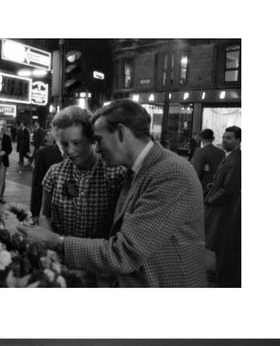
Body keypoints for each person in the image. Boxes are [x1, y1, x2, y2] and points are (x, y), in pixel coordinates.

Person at [20, 99, 207, 287]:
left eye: (98, 140)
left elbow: (126, 252)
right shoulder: (137, 170)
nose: (98, 149)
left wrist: (57, 242)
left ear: (121, 132)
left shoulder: (169, 173)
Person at [38, 106, 126, 241]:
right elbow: (45, 215)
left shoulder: (115, 174)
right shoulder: (54, 173)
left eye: (76, 143)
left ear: (91, 139)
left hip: (98, 256)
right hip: (60, 256)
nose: (70, 151)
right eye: (64, 144)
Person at [204, 126, 241, 285]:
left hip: (225, 208)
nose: (224, 140)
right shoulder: (229, 156)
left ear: (238, 140)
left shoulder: (237, 159)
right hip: (220, 205)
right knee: (218, 241)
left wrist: (211, 200)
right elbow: (222, 181)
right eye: (224, 137)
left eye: (229, 138)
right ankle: (218, 271)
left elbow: (229, 189)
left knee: (222, 240)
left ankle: (221, 274)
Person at [30, 126, 64, 220]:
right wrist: (35, 213)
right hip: (50, 213)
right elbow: (37, 184)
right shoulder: (43, 153)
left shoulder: (79, 154)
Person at [192, 128, 225, 193]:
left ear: (201, 138)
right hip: (218, 185)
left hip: (204, 186)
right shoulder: (221, 152)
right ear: (213, 138)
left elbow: (197, 171)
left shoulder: (200, 151)